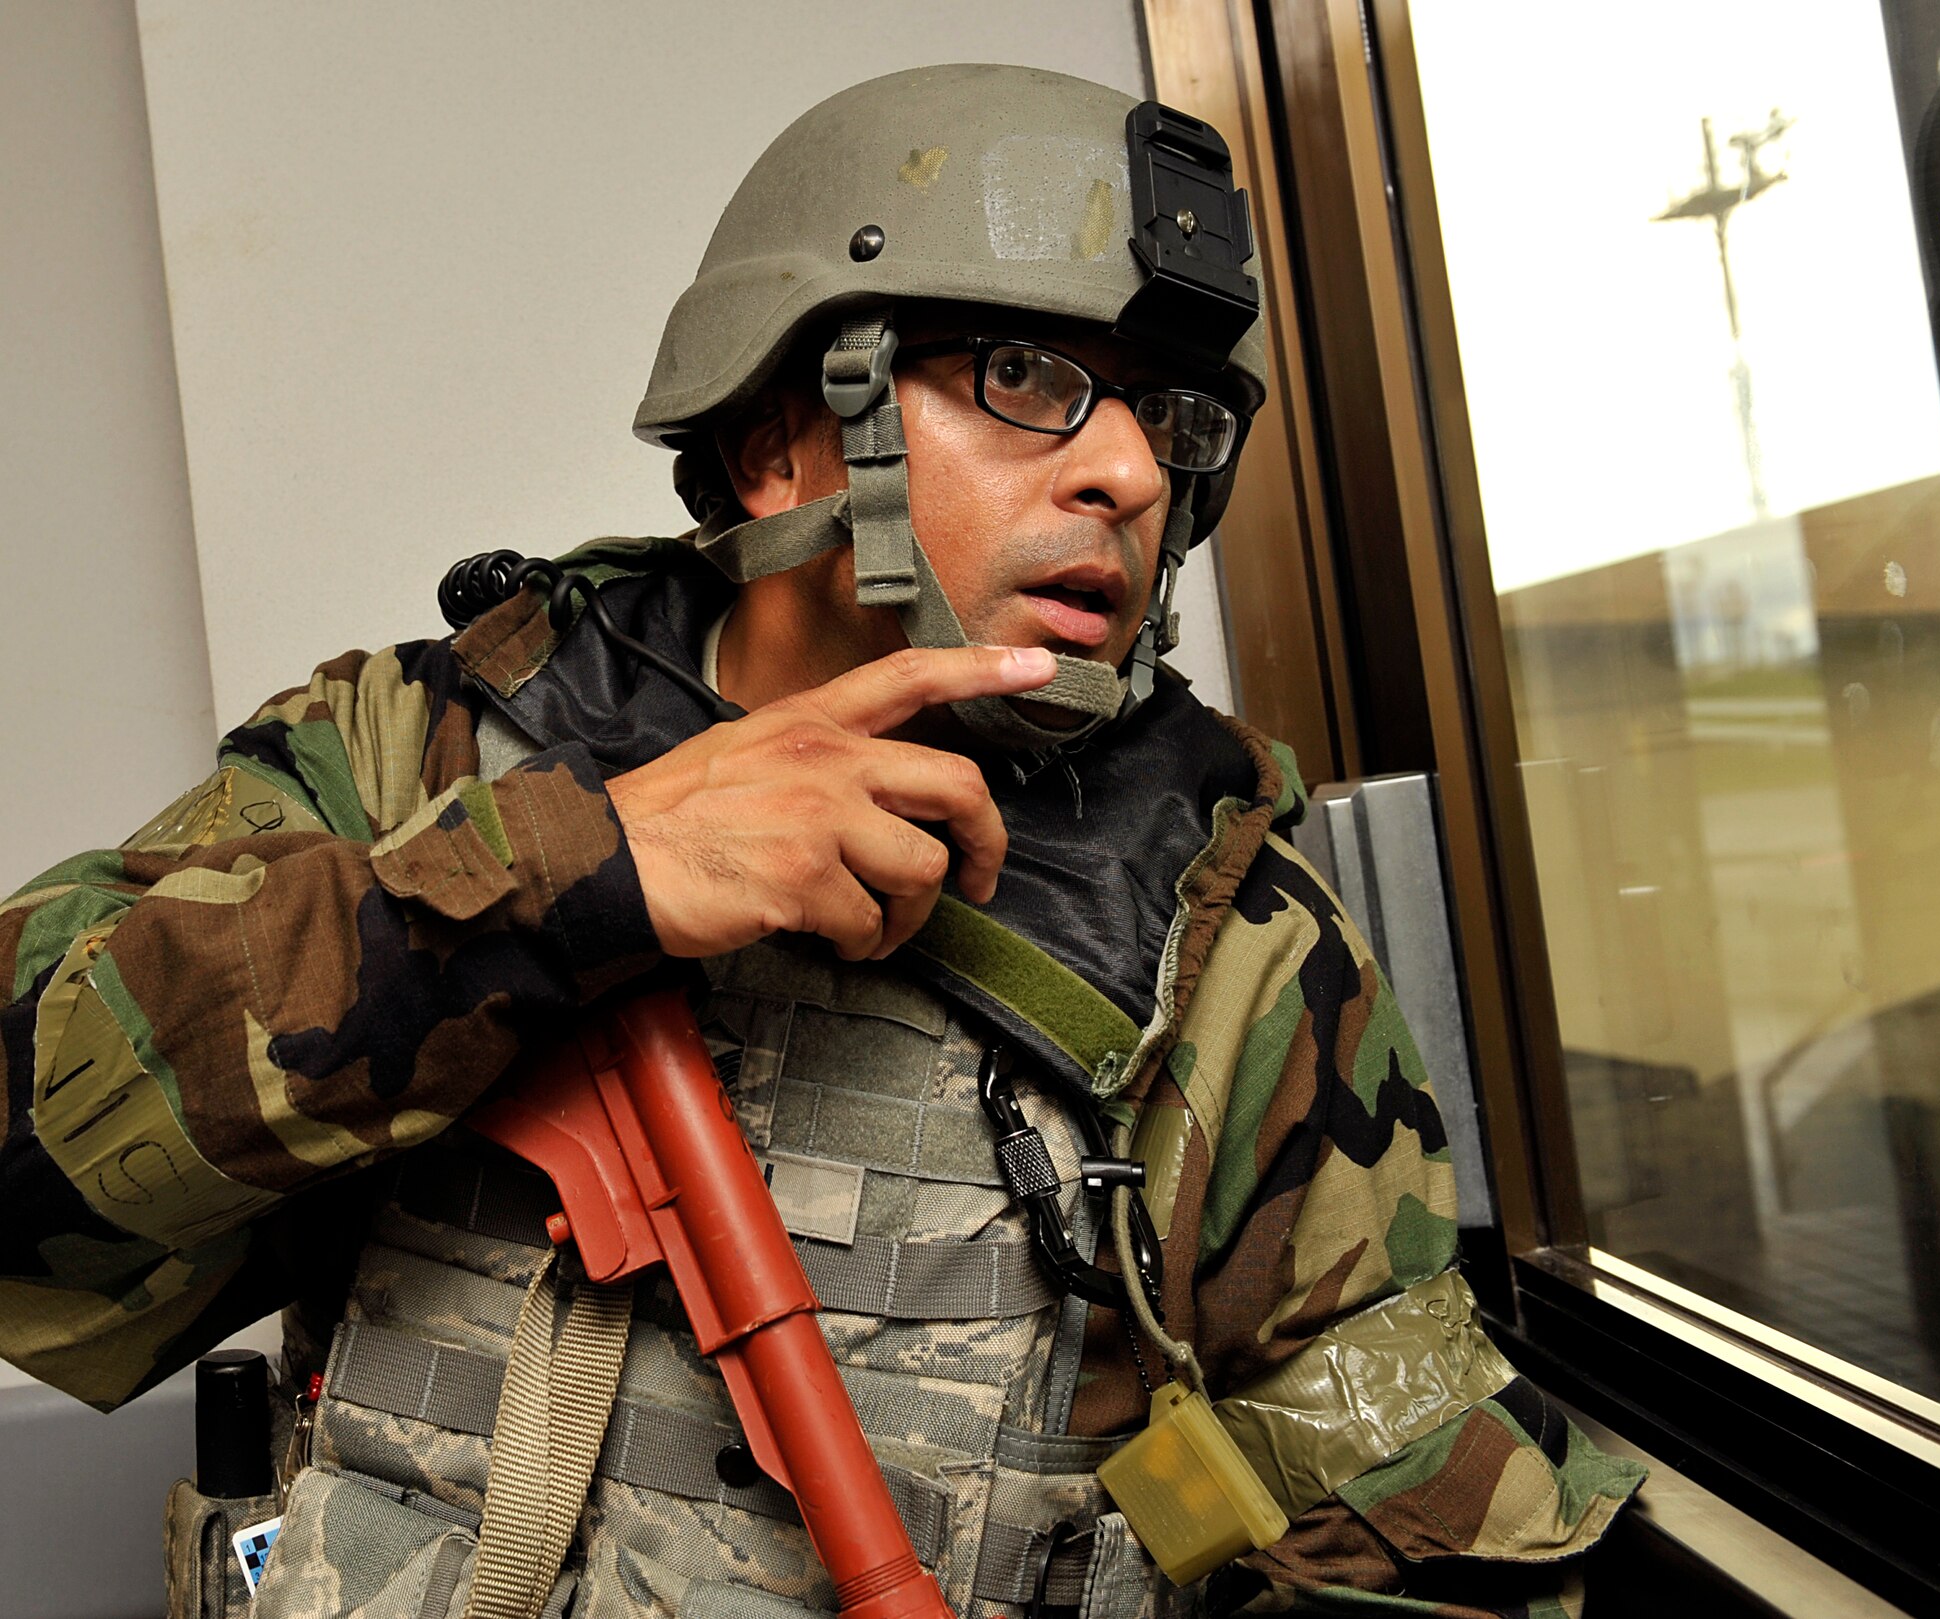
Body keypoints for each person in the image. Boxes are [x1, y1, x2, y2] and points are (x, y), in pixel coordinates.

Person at [0, 64, 1639, 1618]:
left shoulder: (1223, 932)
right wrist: (568, 875)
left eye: (1175, 421)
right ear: (784, 431)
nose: (1132, 470)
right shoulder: (419, 749)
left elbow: (1431, 1546)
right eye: (1028, 378)